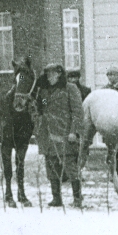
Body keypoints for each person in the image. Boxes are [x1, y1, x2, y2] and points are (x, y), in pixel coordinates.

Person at [35, 63, 84, 207]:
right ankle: (56, 198)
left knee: (71, 168)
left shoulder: (70, 89)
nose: (49, 77)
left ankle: (77, 198)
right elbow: (42, 108)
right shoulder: (44, 92)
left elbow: (77, 112)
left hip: (65, 134)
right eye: (47, 74)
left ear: (59, 74)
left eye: (52, 74)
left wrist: (74, 132)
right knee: (51, 168)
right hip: (48, 135)